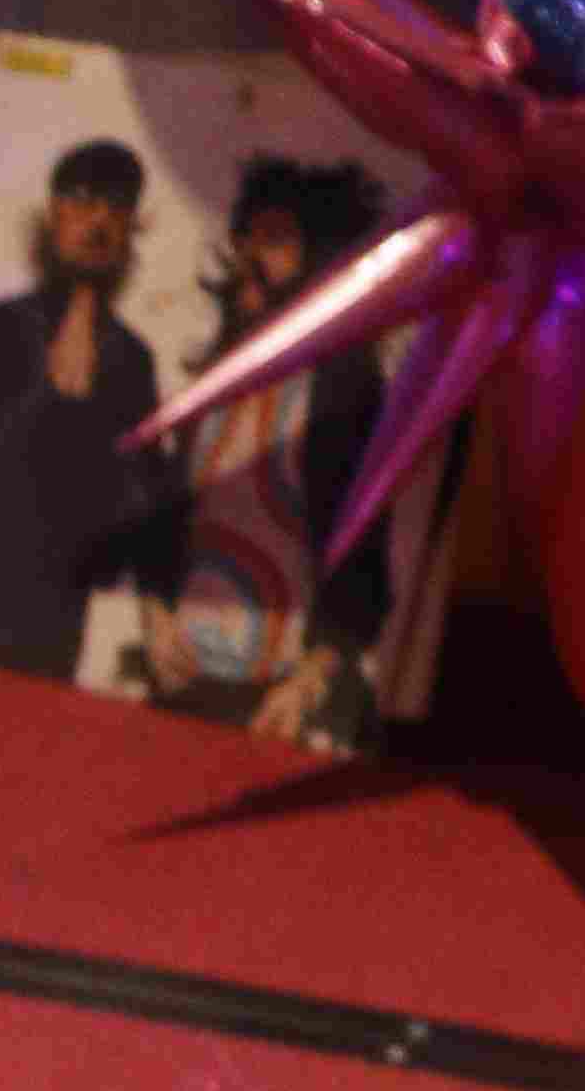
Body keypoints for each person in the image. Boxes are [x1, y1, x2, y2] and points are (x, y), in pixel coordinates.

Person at [123, 156, 397, 752]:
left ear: (318, 259)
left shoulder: (344, 391)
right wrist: (154, 612)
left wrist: (310, 681)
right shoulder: (218, 381)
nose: (250, 254)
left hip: (278, 703)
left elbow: (364, 559)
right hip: (181, 682)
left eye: (274, 239)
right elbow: (165, 519)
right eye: (246, 235)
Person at [0, 135, 162, 679]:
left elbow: (137, 500)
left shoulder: (131, 363)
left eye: (117, 207)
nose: (99, 221)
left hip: (49, 639)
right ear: (53, 214)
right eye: (83, 200)